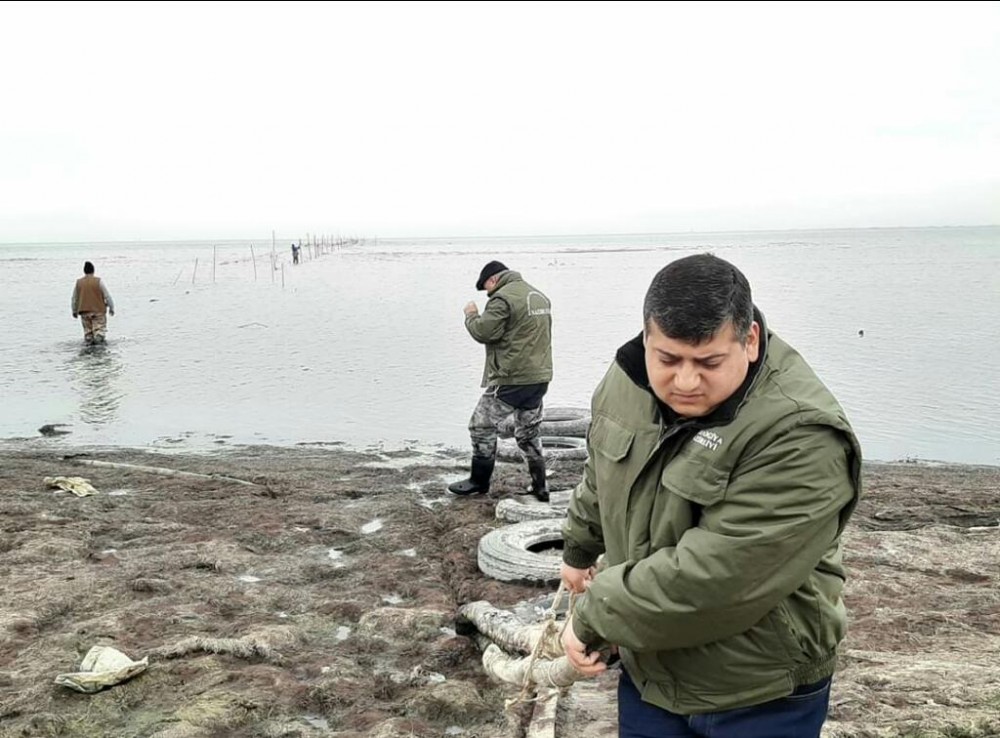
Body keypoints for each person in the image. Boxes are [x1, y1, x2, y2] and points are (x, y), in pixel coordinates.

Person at [559, 253, 861, 737]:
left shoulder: (800, 434)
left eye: (709, 362)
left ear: (751, 341)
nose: (684, 381)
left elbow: (720, 577)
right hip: (650, 674)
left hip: (759, 690)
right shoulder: (627, 379)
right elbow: (603, 472)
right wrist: (579, 545)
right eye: (668, 358)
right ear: (647, 338)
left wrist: (598, 614)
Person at [449, 260, 553, 502]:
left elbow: (484, 332)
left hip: (512, 378)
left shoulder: (502, 298)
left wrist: (471, 315)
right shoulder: (539, 296)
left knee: (480, 425)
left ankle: (478, 482)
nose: (487, 293)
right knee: (528, 432)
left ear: (493, 279)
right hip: (539, 377)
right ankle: (540, 486)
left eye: (486, 287)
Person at [71, 261, 115, 345]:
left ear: (84, 271)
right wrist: (111, 308)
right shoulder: (98, 281)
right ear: (93, 270)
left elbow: (74, 298)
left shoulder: (79, 283)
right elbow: (107, 296)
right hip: (98, 312)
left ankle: (89, 352)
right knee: (99, 333)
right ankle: (98, 351)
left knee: (88, 335)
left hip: (84, 312)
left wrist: (74, 310)